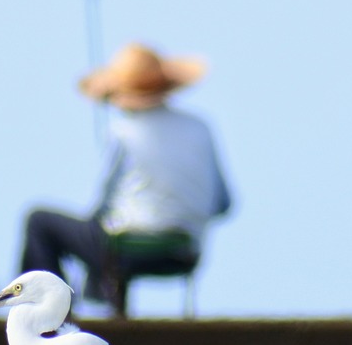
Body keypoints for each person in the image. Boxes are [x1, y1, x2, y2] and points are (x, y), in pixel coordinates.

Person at [19, 42, 232, 305]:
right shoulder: (201, 128)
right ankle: (98, 297)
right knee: (104, 237)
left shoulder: (123, 132)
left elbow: (102, 206)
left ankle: (50, 315)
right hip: (185, 249)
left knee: (39, 222)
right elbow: (223, 204)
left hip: (126, 249)